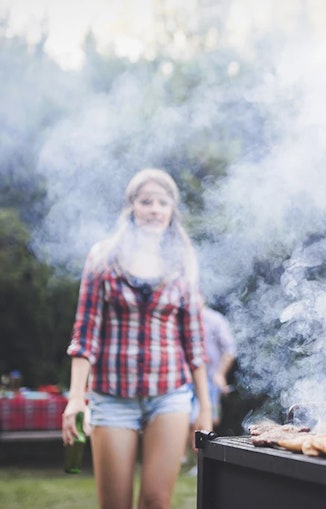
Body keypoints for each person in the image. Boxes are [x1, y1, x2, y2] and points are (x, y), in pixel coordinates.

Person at [61, 168, 212, 509]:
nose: (155, 209)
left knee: (157, 502)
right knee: (115, 505)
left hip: (170, 394)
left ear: (172, 211)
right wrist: (75, 398)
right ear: (132, 207)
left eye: (163, 202)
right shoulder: (103, 257)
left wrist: (204, 405)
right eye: (146, 202)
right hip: (112, 396)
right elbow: (85, 332)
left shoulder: (183, 260)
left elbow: (194, 340)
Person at [184, 301, 236, 475]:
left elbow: (230, 350)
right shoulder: (183, 317)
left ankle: (204, 463)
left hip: (208, 377)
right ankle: (197, 460)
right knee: (190, 421)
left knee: (205, 420)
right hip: (185, 377)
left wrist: (220, 374)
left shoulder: (214, 319)